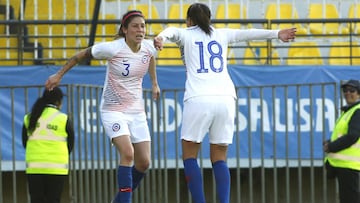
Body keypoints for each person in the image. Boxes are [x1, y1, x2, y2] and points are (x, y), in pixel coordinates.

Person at [154, 3, 296, 203]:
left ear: (189, 20)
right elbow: (249, 34)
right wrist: (277, 33)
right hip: (226, 98)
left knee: (189, 155)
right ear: (209, 19)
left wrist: (160, 37)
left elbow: (170, 32)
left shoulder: (185, 34)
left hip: (199, 97)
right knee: (219, 157)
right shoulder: (222, 34)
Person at [44, 10, 160, 203]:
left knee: (144, 162)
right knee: (128, 153)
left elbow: (151, 58)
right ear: (124, 30)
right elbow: (81, 55)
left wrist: (154, 82)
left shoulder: (148, 47)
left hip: (137, 111)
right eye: (135, 26)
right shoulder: (112, 48)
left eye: (143, 26)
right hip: (113, 111)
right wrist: (58, 75)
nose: (140, 30)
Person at [22, 87, 74, 203]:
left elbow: (25, 142)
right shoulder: (63, 118)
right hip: (57, 169)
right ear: (58, 101)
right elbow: (70, 144)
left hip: (34, 168)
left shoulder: (29, 118)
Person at [323, 79, 360, 203]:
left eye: (352, 90)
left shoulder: (358, 110)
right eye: (345, 90)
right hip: (344, 166)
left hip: (349, 166)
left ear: (359, 93)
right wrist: (330, 142)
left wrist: (331, 147)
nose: (347, 93)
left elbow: (352, 136)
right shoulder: (349, 110)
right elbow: (344, 135)